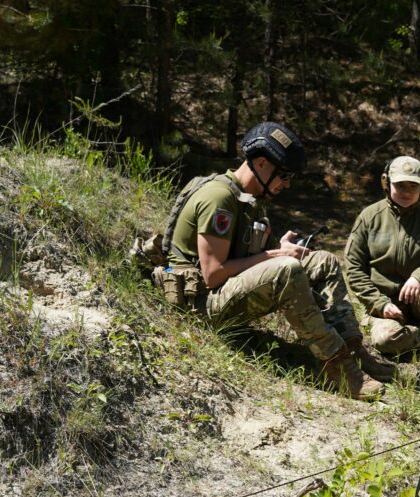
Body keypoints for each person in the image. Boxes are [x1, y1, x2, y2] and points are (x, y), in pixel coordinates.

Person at [164, 121, 394, 401]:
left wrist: (279, 247)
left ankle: (354, 350)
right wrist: (275, 255)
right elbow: (212, 274)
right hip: (200, 304)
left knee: (324, 261)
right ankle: (337, 365)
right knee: (287, 268)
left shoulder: (250, 199)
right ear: (261, 163)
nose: (286, 184)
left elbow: (245, 256)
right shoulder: (219, 197)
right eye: (283, 175)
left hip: (224, 291)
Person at [344, 155, 420, 391]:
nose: (407, 192)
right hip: (383, 306)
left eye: (413, 186)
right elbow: (353, 268)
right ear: (386, 183)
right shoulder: (369, 217)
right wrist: (380, 303)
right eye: (400, 185)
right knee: (385, 340)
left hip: (419, 300)